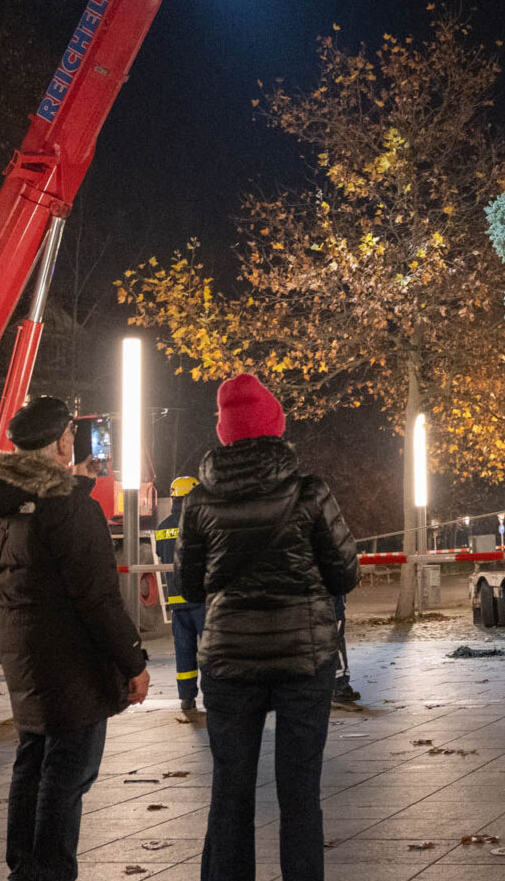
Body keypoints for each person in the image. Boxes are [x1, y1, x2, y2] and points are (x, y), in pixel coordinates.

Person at [179, 373, 358, 881]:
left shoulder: (198, 501)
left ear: (224, 432)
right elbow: (346, 572)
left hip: (229, 663)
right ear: (276, 428)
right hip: (304, 661)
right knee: (300, 796)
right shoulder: (310, 492)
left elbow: (190, 587)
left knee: (230, 794)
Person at [0, 396, 150, 881]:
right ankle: (48, 872)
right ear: (61, 442)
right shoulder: (68, 507)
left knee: (32, 761)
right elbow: (97, 596)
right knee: (68, 771)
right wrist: (133, 662)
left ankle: (24, 867)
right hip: (70, 657)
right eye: (70, 437)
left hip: (22, 648)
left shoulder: (0, 501)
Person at [155, 475, 206, 712]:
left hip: (176, 602)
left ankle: (186, 697)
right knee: (209, 651)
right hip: (200, 600)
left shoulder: (163, 526)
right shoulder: (199, 523)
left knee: (184, 652)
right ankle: (213, 694)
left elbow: (161, 553)